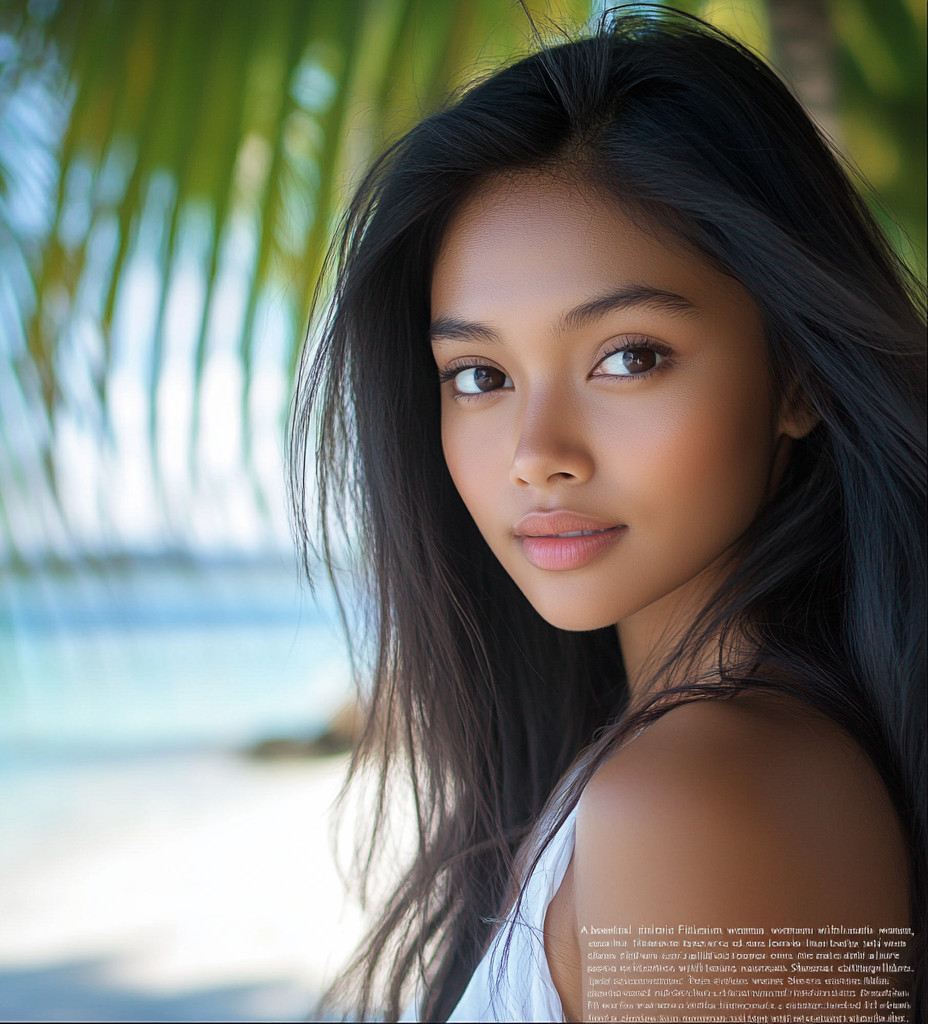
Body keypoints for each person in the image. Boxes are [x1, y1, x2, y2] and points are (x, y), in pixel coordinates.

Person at [290, 9, 925, 1022]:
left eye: (627, 356)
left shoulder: (695, 795)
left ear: (797, 376)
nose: (538, 452)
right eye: (481, 374)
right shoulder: (668, 759)